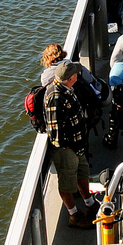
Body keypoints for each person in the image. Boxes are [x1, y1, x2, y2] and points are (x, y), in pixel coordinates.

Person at [44, 62, 95, 227]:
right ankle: (74, 216)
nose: (78, 76)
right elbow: (55, 132)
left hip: (77, 147)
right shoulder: (55, 96)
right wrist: (68, 148)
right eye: (76, 74)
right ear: (70, 78)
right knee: (67, 182)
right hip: (67, 150)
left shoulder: (67, 89)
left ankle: (90, 204)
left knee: (83, 173)